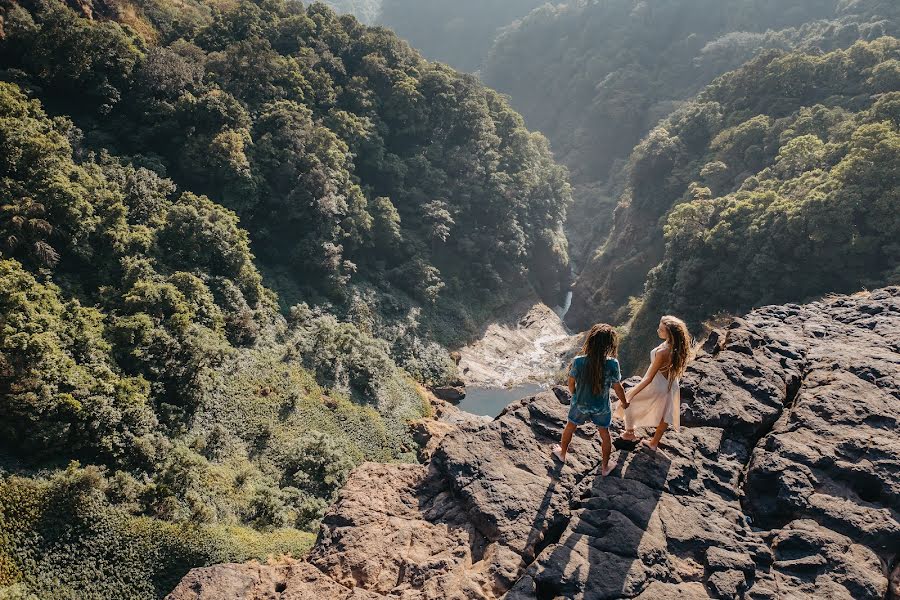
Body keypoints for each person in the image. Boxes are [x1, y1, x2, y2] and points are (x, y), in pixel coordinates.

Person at [552, 323, 628, 476]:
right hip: (601, 407)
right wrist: (624, 402)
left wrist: (574, 394)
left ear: (591, 340)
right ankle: (605, 467)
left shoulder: (579, 361)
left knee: (570, 427)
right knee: (605, 433)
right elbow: (617, 387)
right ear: (609, 344)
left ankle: (562, 453)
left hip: (580, 403)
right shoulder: (612, 363)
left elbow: (571, 382)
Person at [615, 315, 693, 451]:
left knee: (630, 402)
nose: (658, 330)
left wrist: (631, 393)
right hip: (671, 384)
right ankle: (654, 443)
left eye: (661, 329)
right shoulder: (677, 346)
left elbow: (649, 378)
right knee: (666, 414)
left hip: (658, 385)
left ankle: (629, 433)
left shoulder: (663, 352)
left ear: (669, 333)